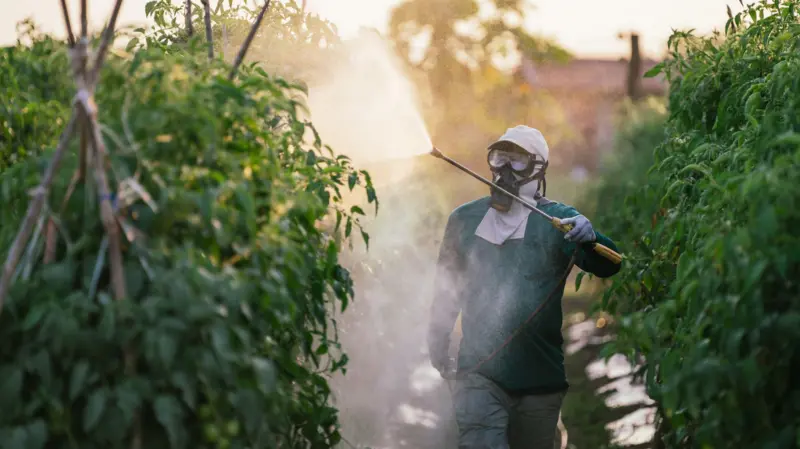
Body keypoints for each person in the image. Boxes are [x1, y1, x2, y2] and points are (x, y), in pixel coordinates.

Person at [427, 125, 621, 449]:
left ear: (538, 169)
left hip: (539, 380)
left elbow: (610, 264)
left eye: (517, 161)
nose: (504, 170)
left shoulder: (558, 222)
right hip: (478, 374)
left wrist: (591, 237)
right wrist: (437, 342)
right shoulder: (464, 220)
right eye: (499, 158)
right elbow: (447, 289)